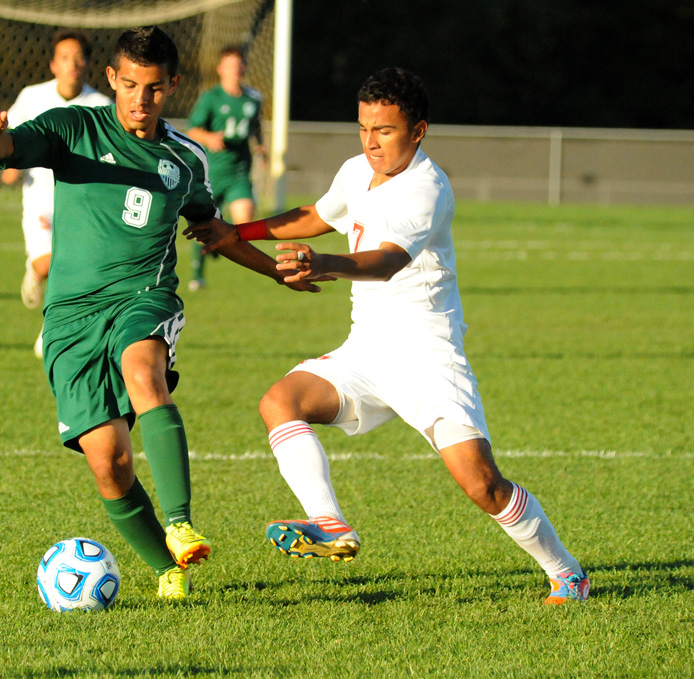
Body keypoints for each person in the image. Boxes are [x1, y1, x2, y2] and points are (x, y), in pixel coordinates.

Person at [184, 67, 589, 605]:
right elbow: (316, 214)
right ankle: (329, 524)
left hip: (428, 355)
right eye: (363, 128)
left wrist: (323, 262)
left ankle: (568, 572)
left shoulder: (427, 187)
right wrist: (242, 231)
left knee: (481, 484)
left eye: (385, 131)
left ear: (418, 131)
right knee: (280, 401)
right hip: (367, 349)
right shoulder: (357, 170)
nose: (371, 142)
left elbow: (386, 262)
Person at [0, 26, 321, 599]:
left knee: (144, 374)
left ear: (173, 87)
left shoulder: (186, 159)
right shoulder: (73, 127)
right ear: (111, 79)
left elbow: (215, 232)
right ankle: (167, 569)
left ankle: (180, 520)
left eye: (154, 89)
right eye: (129, 85)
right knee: (108, 461)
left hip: (144, 296)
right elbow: (6, 152)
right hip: (70, 317)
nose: (140, 99)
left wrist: (273, 270)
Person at [1, 29, 112, 358]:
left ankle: (51, 328)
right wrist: (9, 163)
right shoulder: (31, 97)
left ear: (88, 64)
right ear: (53, 64)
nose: (72, 64)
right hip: (41, 201)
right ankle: (34, 272)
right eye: (65, 57)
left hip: (83, 205)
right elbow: (12, 141)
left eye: (79, 58)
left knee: (74, 267)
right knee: (50, 264)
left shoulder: (102, 106)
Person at [184, 45, 266, 291]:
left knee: (243, 222)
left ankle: (220, 241)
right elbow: (193, 129)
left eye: (238, 65)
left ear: (244, 68)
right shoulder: (210, 98)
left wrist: (260, 147)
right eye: (229, 65)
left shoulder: (253, 98)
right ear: (221, 69)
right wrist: (209, 138)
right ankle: (197, 275)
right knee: (203, 224)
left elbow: (255, 126)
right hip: (212, 171)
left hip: (239, 171)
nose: (234, 70)